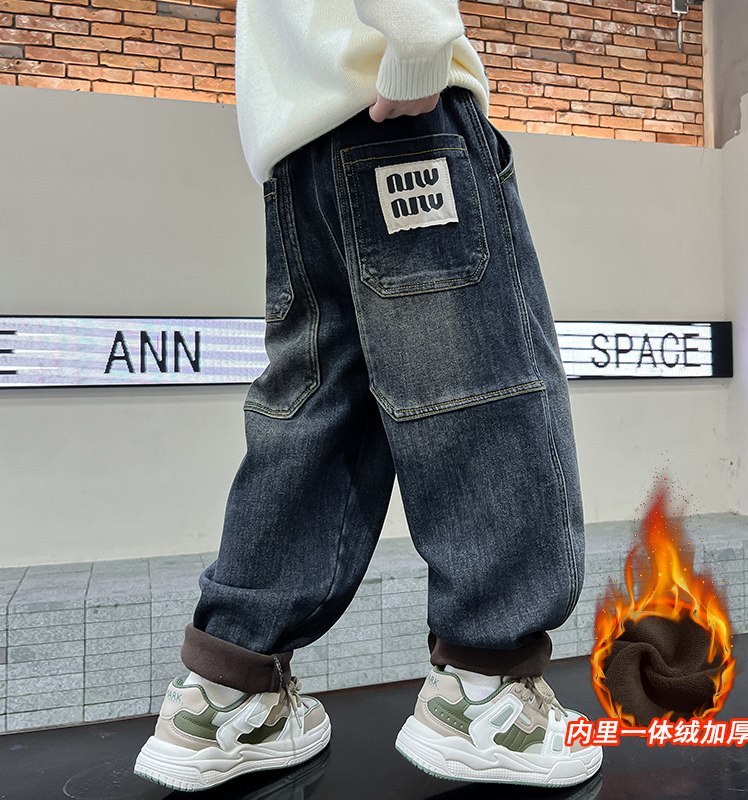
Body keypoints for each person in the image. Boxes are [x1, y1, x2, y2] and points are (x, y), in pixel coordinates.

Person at [134, 0, 602, 790]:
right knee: (485, 392)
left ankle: (227, 695)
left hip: (297, 154)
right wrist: (418, 40)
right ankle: (486, 696)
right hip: (397, 108)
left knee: (317, 411)